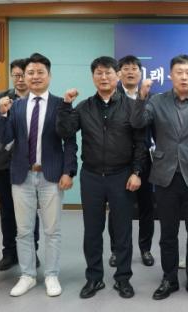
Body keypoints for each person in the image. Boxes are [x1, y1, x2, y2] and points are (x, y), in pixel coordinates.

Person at [56, 57, 147, 299]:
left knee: (123, 230)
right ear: (93, 77)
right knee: (92, 231)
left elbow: (140, 143)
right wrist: (66, 105)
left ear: (118, 76)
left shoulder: (131, 107)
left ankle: (123, 278)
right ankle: (94, 278)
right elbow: (65, 131)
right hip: (92, 176)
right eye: (99, 73)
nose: (104, 77)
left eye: (108, 73)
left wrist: (137, 172)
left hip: (122, 176)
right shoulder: (83, 107)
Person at [130, 54, 188, 302]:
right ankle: (169, 278)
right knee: (168, 233)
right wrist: (141, 97)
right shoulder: (156, 101)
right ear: (170, 75)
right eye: (179, 72)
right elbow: (137, 122)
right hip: (165, 176)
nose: (184, 77)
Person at [0, 53, 77, 298]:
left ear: (49, 76)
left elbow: (70, 141)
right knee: (23, 230)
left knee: (52, 231)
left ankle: (51, 275)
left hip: (51, 176)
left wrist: (68, 171)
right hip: (22, 176)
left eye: (40, 72)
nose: (34, 77)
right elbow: (5, 139)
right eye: (29, 73)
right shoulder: (16, 106)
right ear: (24, 77)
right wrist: (2, 115)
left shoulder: (60, 104)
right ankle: (28, 275)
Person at [0, 60, 41, 271]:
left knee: (30, 211)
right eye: (16, 75)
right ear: (12, 77)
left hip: (28, 165)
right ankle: (9, 252)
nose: (20, 79)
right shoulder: (1, 98)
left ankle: (32, 252)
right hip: (4, 165)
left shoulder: (37, 100)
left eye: (23, 75)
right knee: (7, 211)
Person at [110, 55, 155, 267]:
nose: (130, 72)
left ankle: (145, 249)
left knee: (147, 207)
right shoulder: (111, 97)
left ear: (140, 72)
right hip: (119, 161)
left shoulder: (151, 98)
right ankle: (117, 250)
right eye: (126, 68)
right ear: (119, 73)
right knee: (118, 209)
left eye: (134, 68)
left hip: (146, 160)